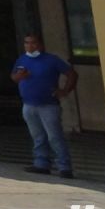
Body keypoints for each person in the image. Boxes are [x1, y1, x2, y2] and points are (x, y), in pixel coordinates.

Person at [12, 32, 78, 179]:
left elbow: (72, 74)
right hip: (28, 104)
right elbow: (14, 76)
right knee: (37, 136)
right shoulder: (22, 59)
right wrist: (19, 76)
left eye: (33, 43)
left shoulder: (51, 60)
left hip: (48, 105)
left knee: (54, 136)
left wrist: (64, 91)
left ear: (40, 44)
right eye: (27, 43)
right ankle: (41, 164)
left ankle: (64, 167)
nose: (30, 46)